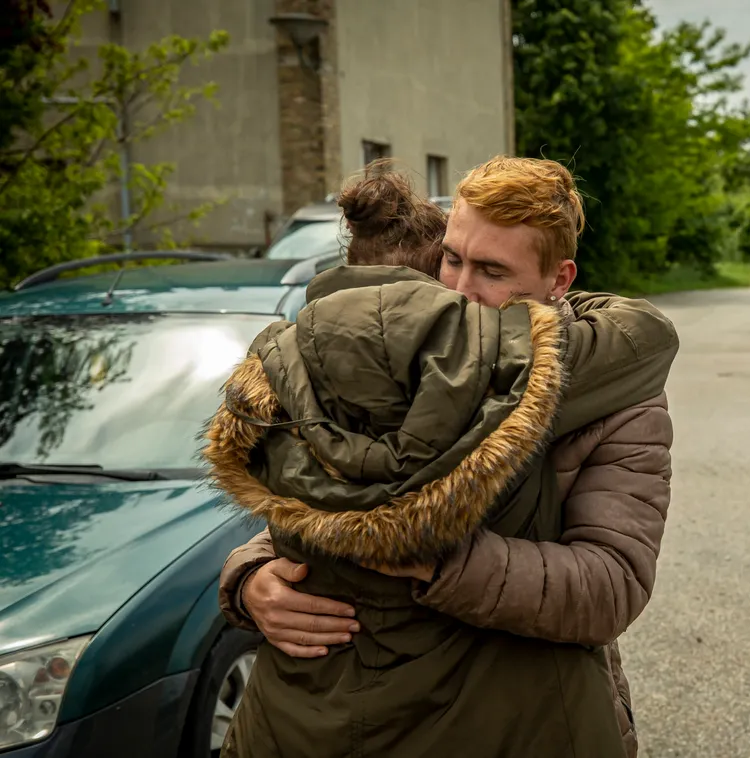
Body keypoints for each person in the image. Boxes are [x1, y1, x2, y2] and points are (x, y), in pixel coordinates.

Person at [213, 158, 678, 757]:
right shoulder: (409, 353)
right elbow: (323, 487)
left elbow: (610, 586)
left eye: (491, 271)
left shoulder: (615, 393)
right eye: (452, 258)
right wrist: (250, 578)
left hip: (513, 720)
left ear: (559, 280)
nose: (457, 290)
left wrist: (436, 562)